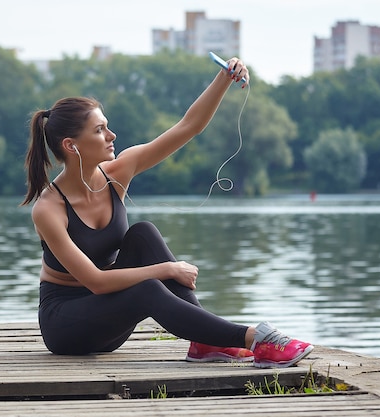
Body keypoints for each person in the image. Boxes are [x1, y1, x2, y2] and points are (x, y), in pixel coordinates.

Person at [21, 56, 313, 368]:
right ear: (72, 145)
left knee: (143, 233)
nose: (112, 136)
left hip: (111, 319)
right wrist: (167, 270)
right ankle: (254, 338)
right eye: (100, 130)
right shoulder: (48, 209)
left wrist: (224, 78)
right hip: (68, 328)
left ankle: (205, 340)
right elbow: (96, 282)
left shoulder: (117, 172)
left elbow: (189, 126)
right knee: (146, 286)